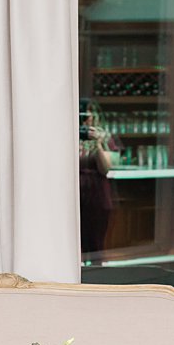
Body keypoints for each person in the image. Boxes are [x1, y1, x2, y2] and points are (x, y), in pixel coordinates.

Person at [78, 99, 116, 262]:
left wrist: (98, 144)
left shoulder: (105, 137)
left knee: (96, 241)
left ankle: (97, 275)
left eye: (90, 116)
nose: (87, 121)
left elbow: (106, 168)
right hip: (74, 192)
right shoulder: (65, 135)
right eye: (83, 116)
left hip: (97, 193)